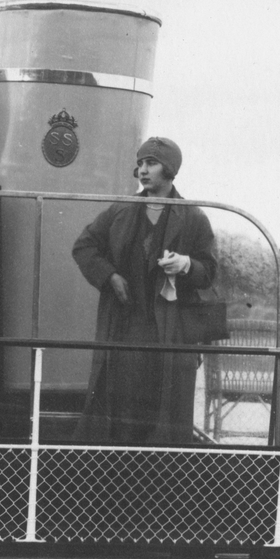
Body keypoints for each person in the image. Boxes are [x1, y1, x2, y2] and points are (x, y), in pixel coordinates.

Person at [72, 137, 217, 444]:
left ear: (170, 169)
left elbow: (210, 272)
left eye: (151, 163)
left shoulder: (193, 217)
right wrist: (110, 276)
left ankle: (162, 471)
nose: (143, 170)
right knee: (120, 409)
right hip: (125, 328)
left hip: (172, 332)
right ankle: (118, 469)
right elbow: (84, 247)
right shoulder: (120, 210)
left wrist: (187, 265)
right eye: (140, 163)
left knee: (166, 414)